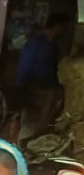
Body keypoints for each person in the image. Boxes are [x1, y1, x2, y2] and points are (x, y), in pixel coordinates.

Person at [16, 12, 69, 142]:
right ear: (57, 26)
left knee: (40, 129)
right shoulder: (36, 43)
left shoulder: (53, 46)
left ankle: (31, 150)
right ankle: (22, 149)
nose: (64, 31)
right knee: (29, 126)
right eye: (63, 27)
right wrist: (20, 90)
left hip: (47, 92)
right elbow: (24, 67)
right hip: (33, 90)